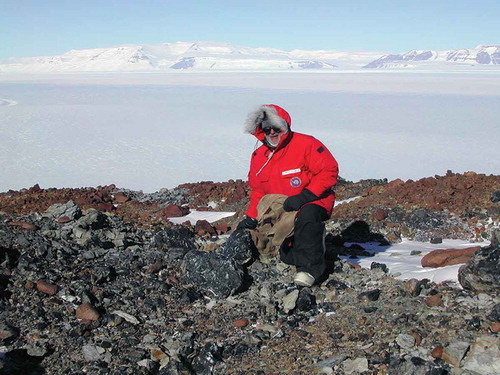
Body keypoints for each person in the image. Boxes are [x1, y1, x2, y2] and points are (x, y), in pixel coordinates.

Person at [238, 104, 339, 287]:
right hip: (281, 208)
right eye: (267, 128)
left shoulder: (306, 144)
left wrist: (305, 197)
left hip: (313, 200)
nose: (272, 132)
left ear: (284, 126)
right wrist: (251, 217)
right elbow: (258, 190)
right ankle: (304, 244)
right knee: (286, 253)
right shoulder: (260, 155)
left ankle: (309, 270)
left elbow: (329, 171)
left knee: (307, 217)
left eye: (276, 127)